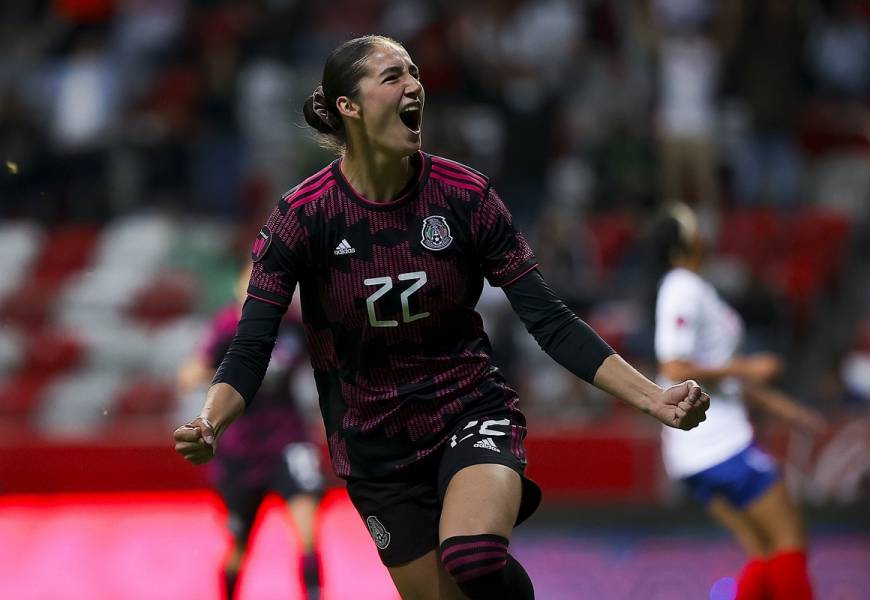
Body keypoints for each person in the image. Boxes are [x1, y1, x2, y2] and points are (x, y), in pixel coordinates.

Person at [174, 35, 710, 600]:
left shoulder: (465, 196)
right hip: (373, 450)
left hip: (468, 412)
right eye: (392, 77)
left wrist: (653, 397)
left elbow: (549, 320)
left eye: (414, 74)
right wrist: (210, 422)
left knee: (473, 556)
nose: (414, 86)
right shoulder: (300, 219)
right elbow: (249, 347)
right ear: (347, 107)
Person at [651, 202, 825, 600]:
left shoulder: (691, 287)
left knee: (762, 553)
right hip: (716, 442)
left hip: (693, 451)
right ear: (684, 244)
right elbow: (674, 365)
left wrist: (788, 410)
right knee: (788, 539)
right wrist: (747, 368)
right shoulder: (682, 286)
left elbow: (714, 370)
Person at [176, 264, 326, 600]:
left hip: (288, 439)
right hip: (240, 449)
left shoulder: (293, 327)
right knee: (239, 544)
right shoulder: (229, 328)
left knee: (307, 530)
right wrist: (215, 375)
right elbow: (191, 372)